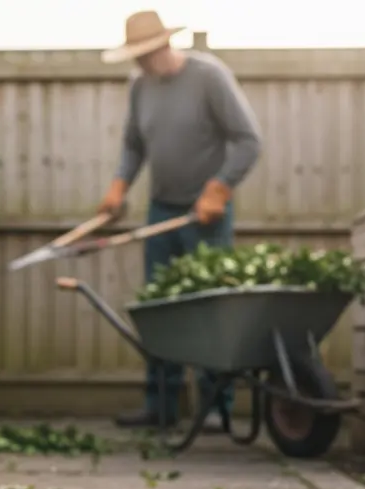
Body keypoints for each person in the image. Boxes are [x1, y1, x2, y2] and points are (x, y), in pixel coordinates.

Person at [96, 10, 263, 430]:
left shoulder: (209, 77)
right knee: (159, 309)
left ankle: (216, 408)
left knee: (209, 307)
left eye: (144, 55)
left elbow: (248, 141)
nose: (139, 63)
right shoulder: (140, 86)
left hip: (204, 217)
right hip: (162, 212)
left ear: (163, 46)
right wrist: (119, 185)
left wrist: (219, 189)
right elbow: (134, 145)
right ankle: (162, 405)